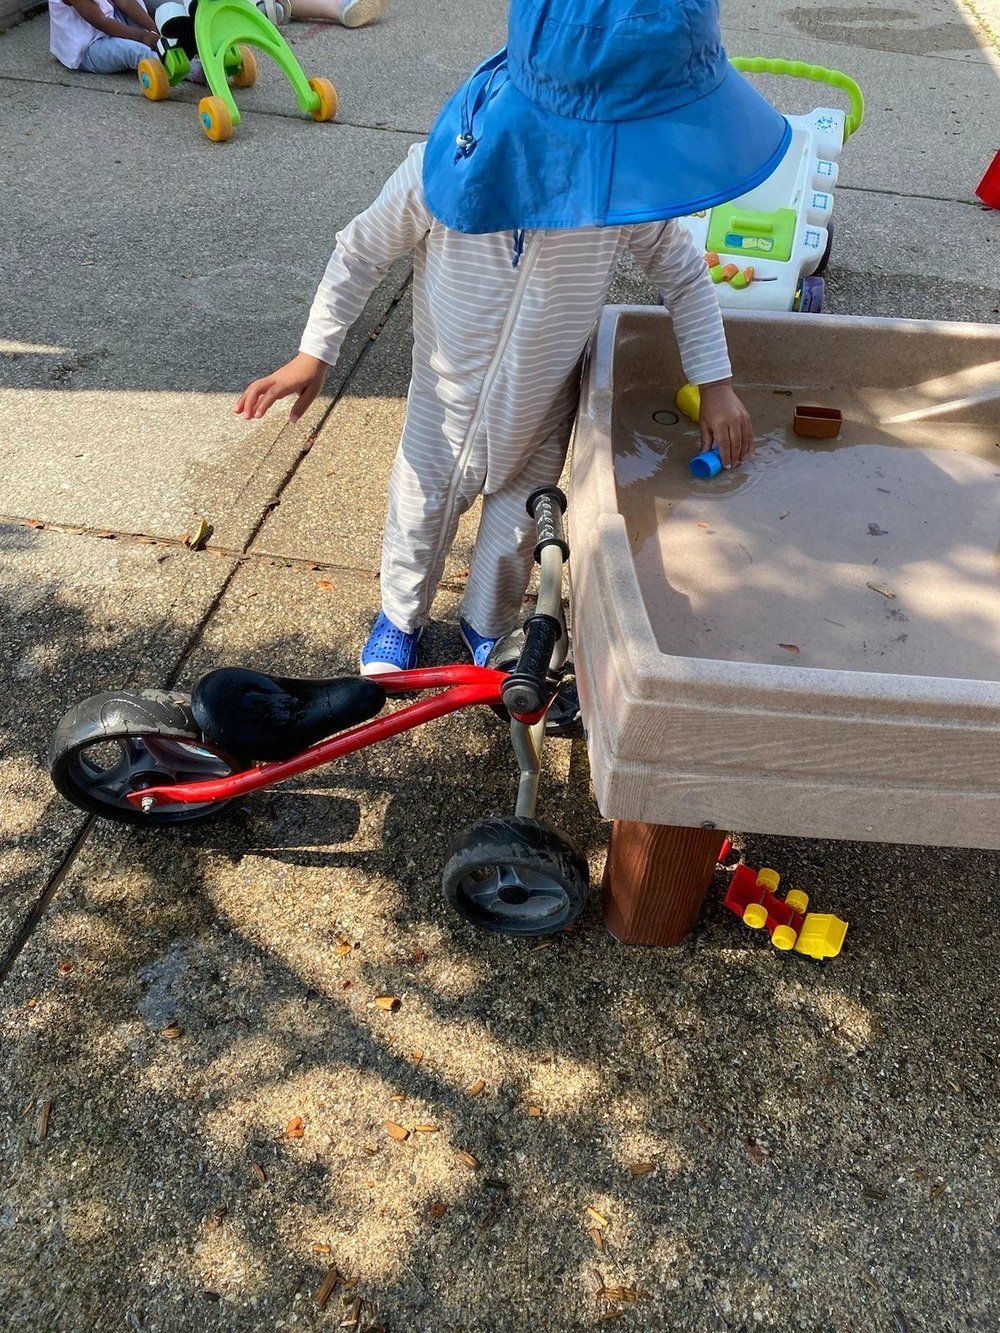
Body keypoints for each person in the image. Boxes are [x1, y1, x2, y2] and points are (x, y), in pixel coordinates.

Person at [236, 0, 791, 676]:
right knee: (418, 514)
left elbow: (684, 273)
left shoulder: (617, 190)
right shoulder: (443, 168)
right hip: (444, 404)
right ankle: (400, 615)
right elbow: (359, 250)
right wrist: (315, 350)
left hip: (542, 403)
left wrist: (718, 384)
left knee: (516, 532)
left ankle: (487, 625)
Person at [49, 0, 159, 73]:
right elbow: (102, 23)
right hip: (87, 48)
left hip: (112, 25)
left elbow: (124, 2)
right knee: (134, 51)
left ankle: (161, 40)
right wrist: (143, 37)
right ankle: (162, 63)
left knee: (137, 4)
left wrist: (153, 29)